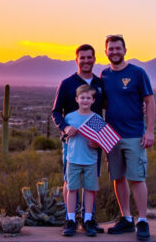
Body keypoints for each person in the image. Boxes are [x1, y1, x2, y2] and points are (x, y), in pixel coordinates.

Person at [102, 35, 155, 241]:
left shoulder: (138, 73)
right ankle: (126, 218)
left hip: (134, 134)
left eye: (118, 48)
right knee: (118, 177)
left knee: (137, 177)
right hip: (111, 135)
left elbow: (149, 101)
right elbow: (104, 103)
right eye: (110, 49)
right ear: (106, 52)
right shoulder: (104, 75)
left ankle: (142, 220)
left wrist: (149, 130)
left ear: (125, 50)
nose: (114, 52)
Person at [51, 44, 105, 235]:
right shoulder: (66, 83)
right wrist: (65, 128)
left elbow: (108, 110)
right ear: (76, 60)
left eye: (89, 57)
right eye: (82, 57)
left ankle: (89, 219)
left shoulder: (100, 84)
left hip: (93, 144)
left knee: (91, 182)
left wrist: (140, 107)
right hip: (71, 143)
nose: (86, 61)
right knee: (70, 182)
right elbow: (56, 112)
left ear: (94, 59)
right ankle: (70, 219)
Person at [62, 85, 102, 237]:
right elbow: (64, 137)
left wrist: (97, 143)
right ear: (76, 99)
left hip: (90, 160)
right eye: (82, 97)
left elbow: (101, 140)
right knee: (72, 189)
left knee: (90, 190)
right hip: (73, 159)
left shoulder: (97, 118)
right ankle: (71, 219)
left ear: (93, 100)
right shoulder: (69, 118)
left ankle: (88, 220)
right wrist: (67, 132)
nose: (85, 100)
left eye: (88, 98)